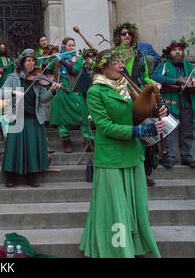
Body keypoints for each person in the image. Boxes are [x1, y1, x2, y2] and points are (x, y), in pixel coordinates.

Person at [79, 47, 167, 258]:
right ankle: (116, 250)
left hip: (132, 154)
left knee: (134, 206)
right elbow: (105, 127)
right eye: (117, 63)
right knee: (115, 208)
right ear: (104, 67)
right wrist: (141, 130)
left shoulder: (125, 85)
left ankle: (134, 246)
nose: (122, 66)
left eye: (122, 63)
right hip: (111, 157)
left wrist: (158, 110)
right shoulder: (95, 91)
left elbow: (138, 112)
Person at [0, 49, 60, 188]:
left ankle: (32, 176)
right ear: (22, 63)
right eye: (28, 60)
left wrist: (52, 90)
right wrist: (14, 92)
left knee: (32, 149)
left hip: (33, 118)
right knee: (14, 149)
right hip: (17, 118)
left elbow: (44, 98)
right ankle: (11, 177)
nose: (31, 63)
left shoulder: (38, 78)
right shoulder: (13, 77)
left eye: (33, 60)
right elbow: (1, 93)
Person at [113, 22, 160, 186]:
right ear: (118, 37)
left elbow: (145, 76)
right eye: (123, 34)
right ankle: (123, 170)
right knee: (127, 132)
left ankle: (145, 171)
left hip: (139, 95)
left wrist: (153, 84)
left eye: (129, 34)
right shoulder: (113, 55)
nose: (126, 36)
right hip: (121, 95)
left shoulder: (140, 55)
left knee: (145, 134)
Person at [151, 38, 195, 168]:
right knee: (169, 130)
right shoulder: (163, 65)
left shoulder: (189, 66)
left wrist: (190, 82)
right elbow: (156, 77)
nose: (177, 52)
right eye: (174, 50)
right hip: (170, 102)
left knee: (187, 131)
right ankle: (169, 157)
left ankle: (186, 156)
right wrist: (176, 81)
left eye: (179, 50)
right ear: (169, 53)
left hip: (186, 101)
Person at [48, 37, 95, 153]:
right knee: (62, 115)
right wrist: (50, 58)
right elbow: (48, 69)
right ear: (64, 46)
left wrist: (60, 58)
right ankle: (66, 140)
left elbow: (73, 70)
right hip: (61, 88)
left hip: (74, 88)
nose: (72, 47)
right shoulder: (59, 58)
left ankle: (88, 140)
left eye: (73, 45)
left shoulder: (78, 58)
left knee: (83, 113)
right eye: (69, 45)